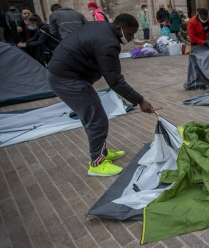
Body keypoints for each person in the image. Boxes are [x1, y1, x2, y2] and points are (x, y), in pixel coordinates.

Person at [47, 13, 155, 176]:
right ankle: (96, 163)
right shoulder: (108, 43)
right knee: (96, 119)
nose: (132, 38)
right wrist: (140, 100)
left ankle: (101, 151)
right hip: (67, 79)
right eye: (130, 33)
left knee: (93, 115)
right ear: (119, 28)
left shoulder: (103, 28)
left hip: (70, 75)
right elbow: (115, 80)